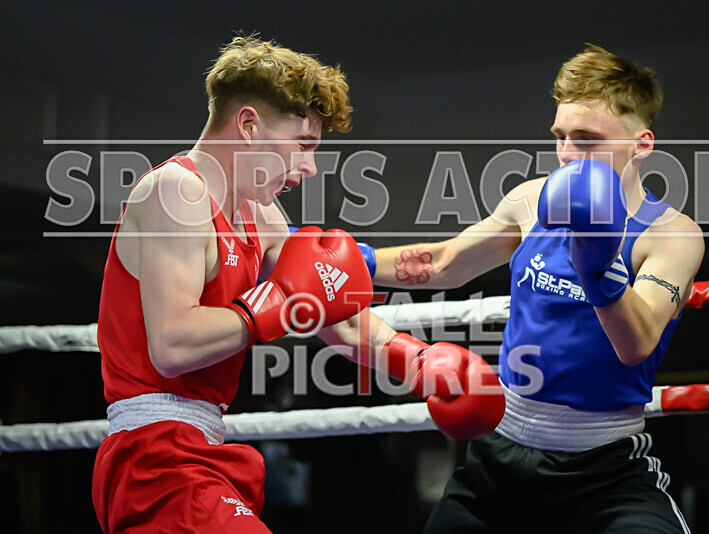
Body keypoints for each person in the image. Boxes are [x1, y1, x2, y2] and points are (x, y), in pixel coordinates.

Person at [91, 35, 505, 534]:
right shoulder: (176, 192)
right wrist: (277, 302)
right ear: (248, 126)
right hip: (152, 455)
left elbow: (331, 313)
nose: (309, 167)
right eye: (303, 144)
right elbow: (173, 345)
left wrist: (414, 359)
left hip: (199, 449)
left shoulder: (259, 215)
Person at [371, 44, 704, 533]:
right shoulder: (531, 200)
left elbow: (638, 344)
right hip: (498, 458)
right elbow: (445, 263)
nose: (567, 154)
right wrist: (351, 263)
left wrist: (598, 265)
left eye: (587, 140)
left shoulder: (672, 234)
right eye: (560, 137)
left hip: (604, 470)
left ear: (641, 144)